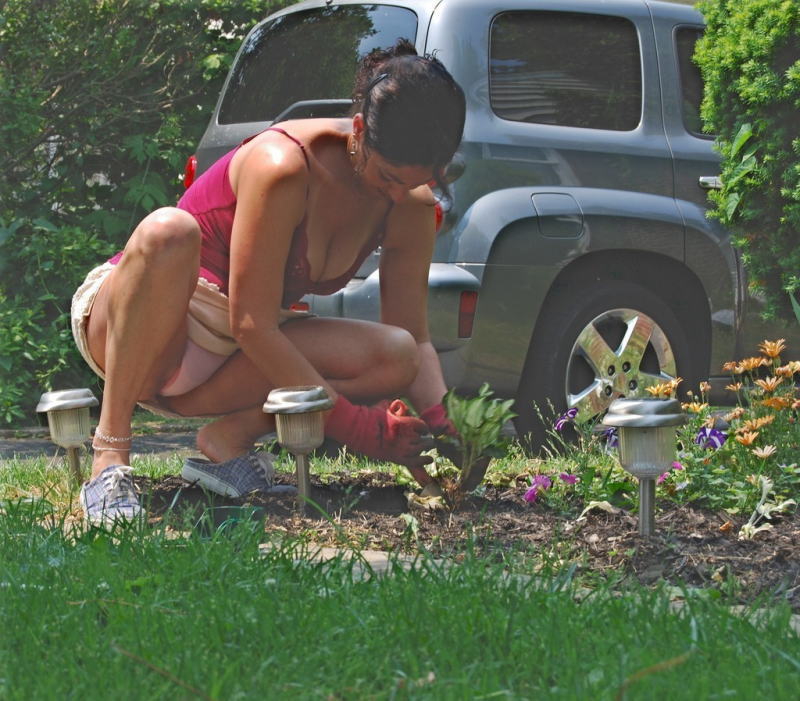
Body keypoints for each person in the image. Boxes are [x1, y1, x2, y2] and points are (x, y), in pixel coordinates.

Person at [70, 39, 467, 524]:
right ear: (359, 130)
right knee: (168, 230)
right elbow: (252, 323)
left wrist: (451, 428)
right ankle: (109, 456)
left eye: (414, 181)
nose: (397, 194)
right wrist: (359, 428)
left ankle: (228, 440)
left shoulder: (408, 201)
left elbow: (416, 339)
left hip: (231, 359)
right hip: (143, 328)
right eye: (388, 177)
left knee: (397, 352)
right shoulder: (284, 164)